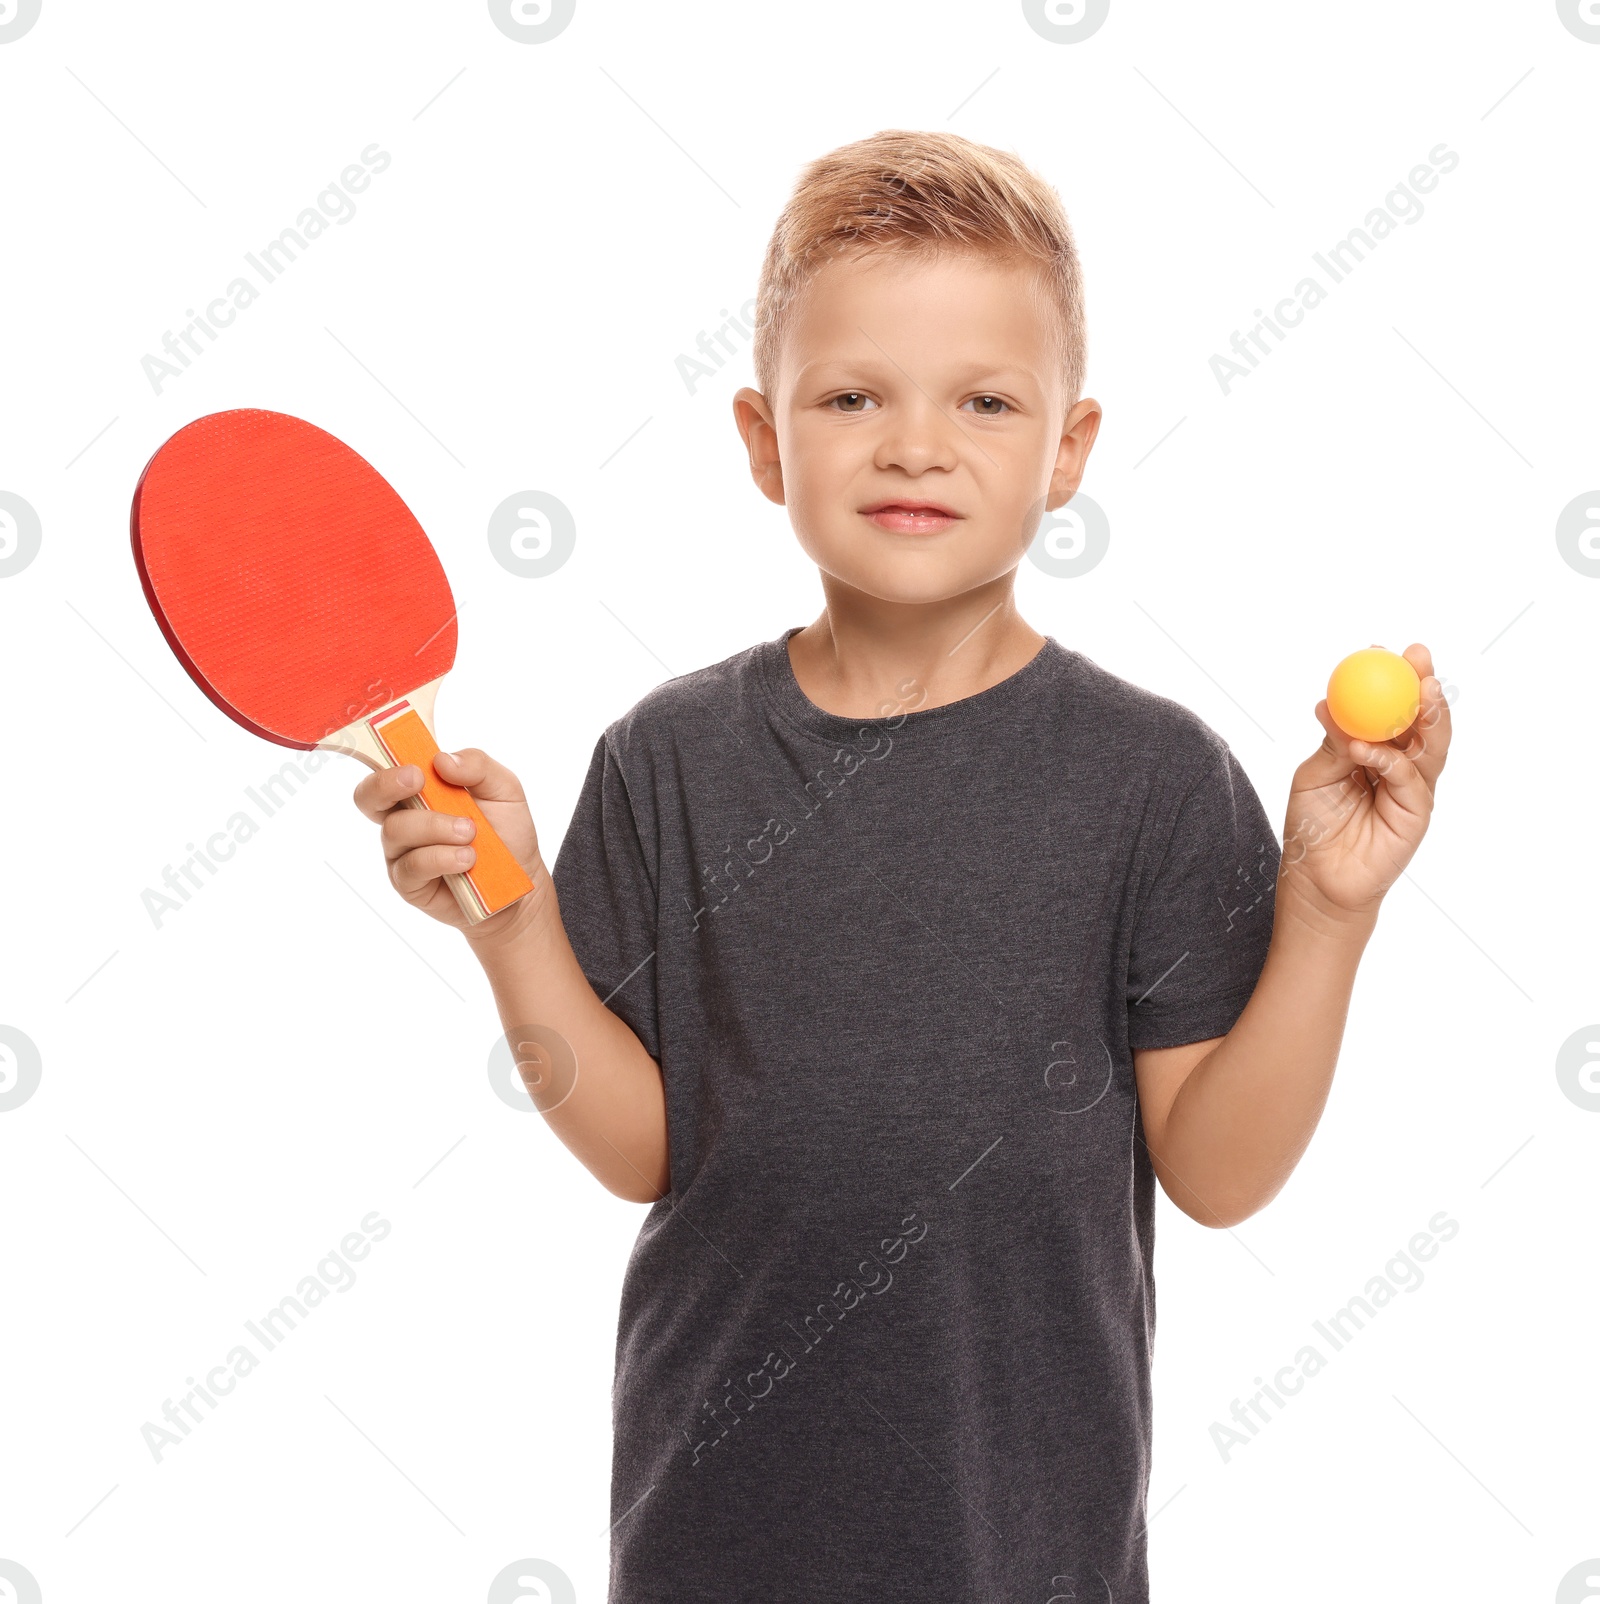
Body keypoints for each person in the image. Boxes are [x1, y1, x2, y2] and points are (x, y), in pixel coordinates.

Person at [352, 128, 1451, 1602]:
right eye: (853, 394)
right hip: (712, 1549)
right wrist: (509, 926)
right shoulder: (665, 760)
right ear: (763, 441)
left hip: (1030, 1561)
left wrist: (1325, 915)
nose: (915, 443)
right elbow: (644, 1152)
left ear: (1067, 451)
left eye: (985, 401)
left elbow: (1218, 1174)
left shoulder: (1155, 778)